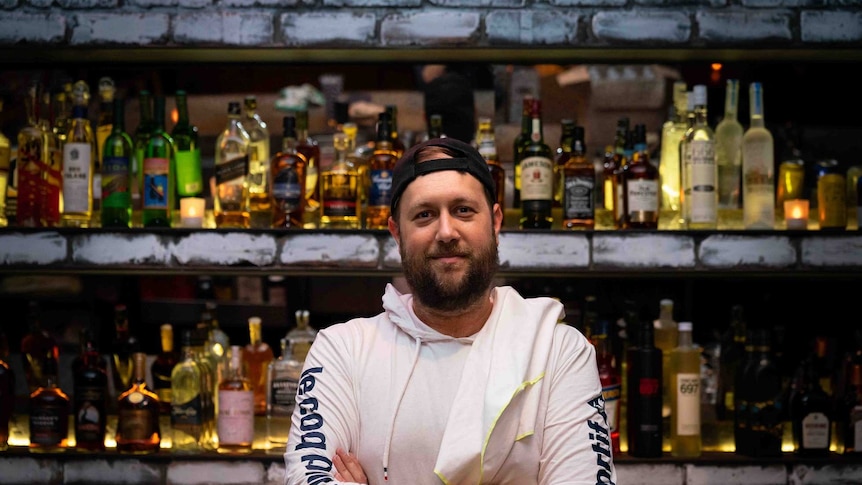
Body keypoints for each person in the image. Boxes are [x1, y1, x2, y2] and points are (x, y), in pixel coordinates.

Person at [283, 137, 616, 485]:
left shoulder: (557, 351)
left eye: (463, 210)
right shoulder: (342, 350)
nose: (446, 232)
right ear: (396, 233)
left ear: (495, 223)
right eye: (425, 215)